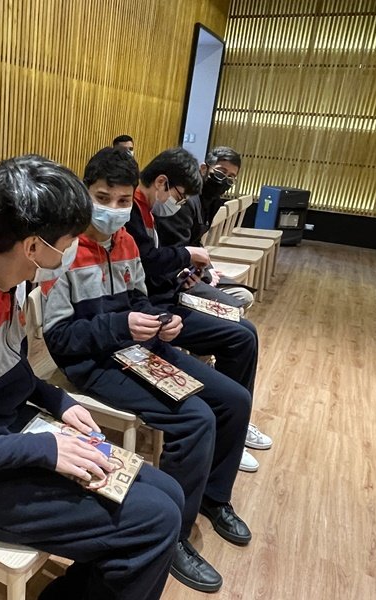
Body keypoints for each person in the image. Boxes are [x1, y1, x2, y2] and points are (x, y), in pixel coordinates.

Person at [0, 154, 183, 600]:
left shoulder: (7, 281)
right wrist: (43, 449)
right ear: (32, 247)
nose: (72, 250)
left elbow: (9, 371)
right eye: (68, 241)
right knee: (155, 522)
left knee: (170, 494)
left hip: (12, 439)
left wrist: (58, 400)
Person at [42, 147, 253, 594]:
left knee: (234, 400)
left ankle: (214, 498)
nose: (114, 209)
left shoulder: (126, 242)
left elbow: (140, 299)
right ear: (84, 192)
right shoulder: (62, 251)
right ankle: (172, 537)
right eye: (103, 198)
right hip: (94, 363)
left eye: (123, 201)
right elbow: (59, 340)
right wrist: (120, 325)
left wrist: (164, 320)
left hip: (140, 346)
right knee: (195, 419)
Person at [126, 147, 269, 472]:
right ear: (161, 182)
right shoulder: (132, 212)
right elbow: (147, 265)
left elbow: (147, 268)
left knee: (245, 331)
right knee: (238, 337)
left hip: (164, 299)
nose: (114, 206)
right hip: (157, 308)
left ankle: (234, 425)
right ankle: (229, 427)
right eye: (105, 197)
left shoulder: (148, 211)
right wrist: (186, 258)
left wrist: (184, 272)